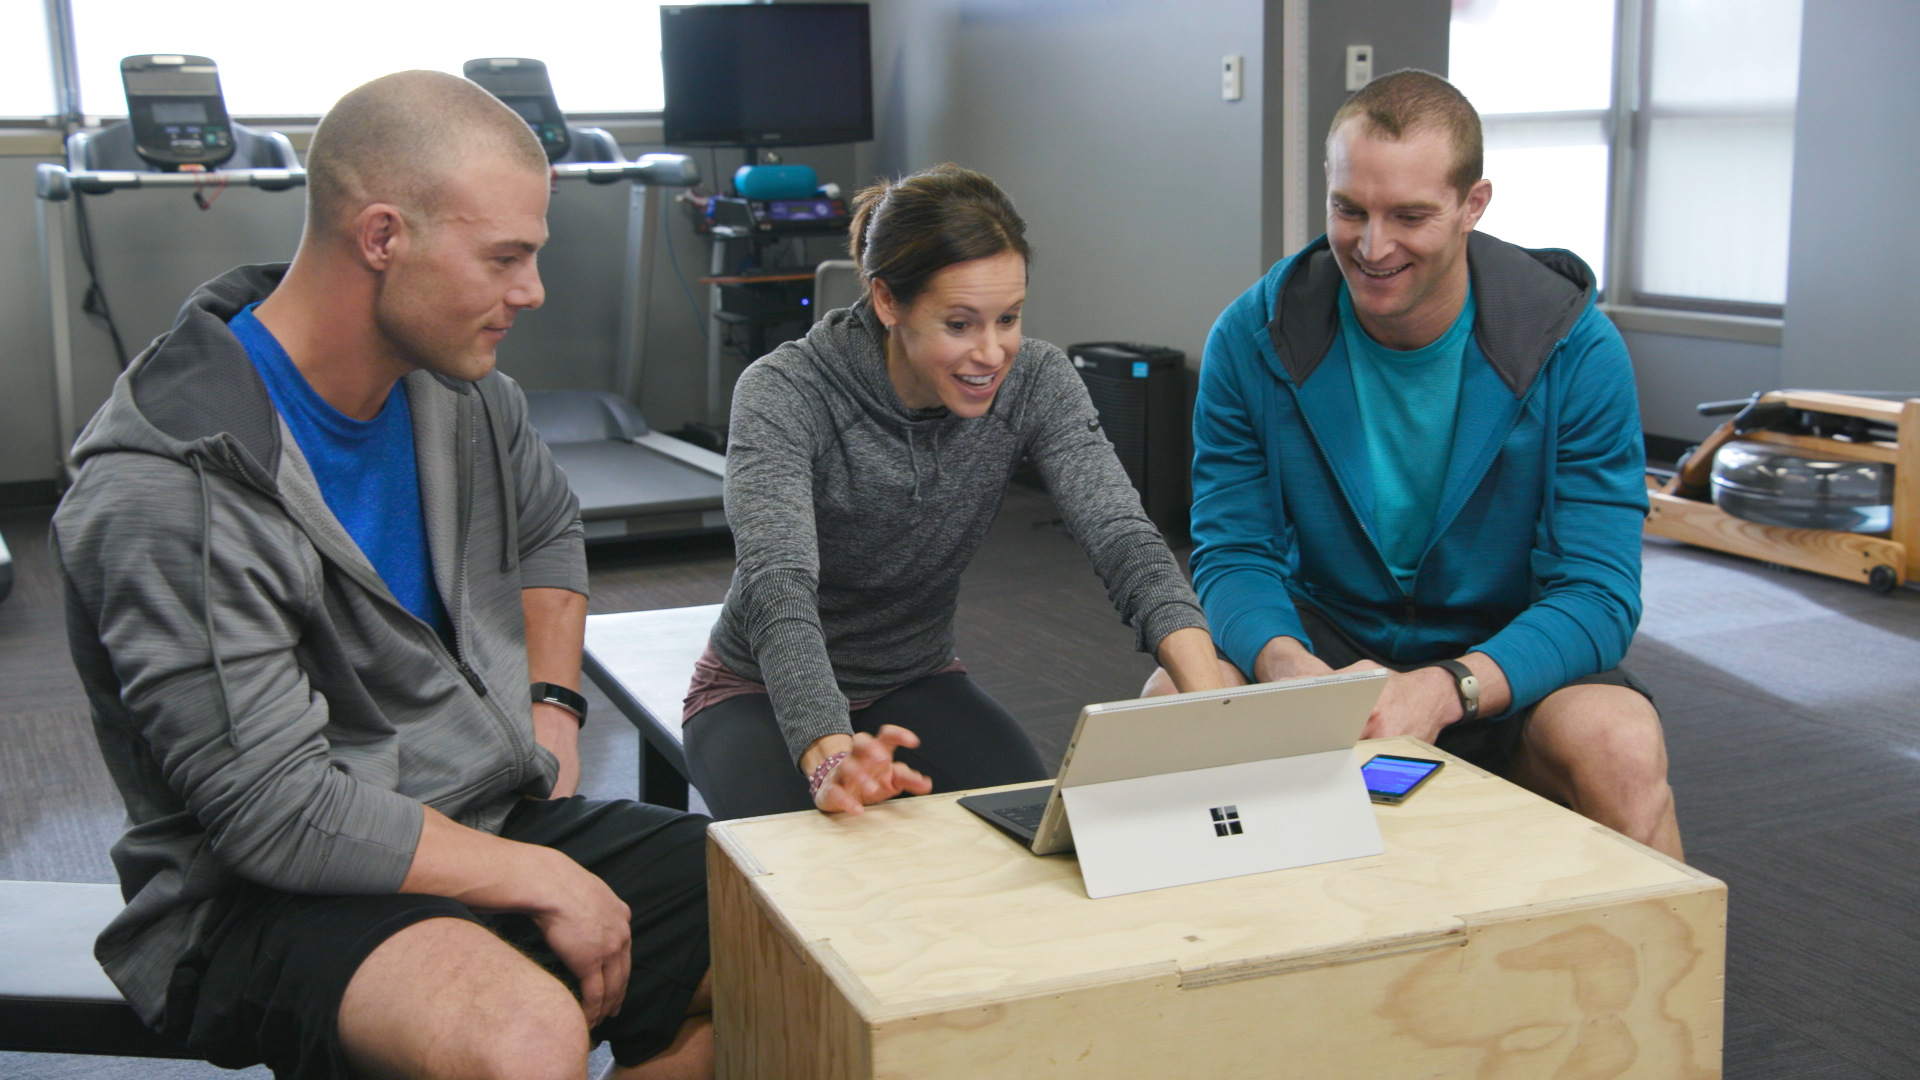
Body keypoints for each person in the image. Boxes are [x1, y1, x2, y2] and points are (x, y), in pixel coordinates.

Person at [51, 71, 712, 1080]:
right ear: (381, 237)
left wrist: (550, 707)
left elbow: (546, 529)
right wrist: (536, 875)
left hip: (481, 812)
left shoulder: (460, 395)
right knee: (525, 1038)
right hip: (256, 894)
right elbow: (276, 814)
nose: (531, 291)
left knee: (791, 929)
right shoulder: (173, 486)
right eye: (507, 258)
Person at [1169, 69, 1683, 860]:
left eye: (1410, 216)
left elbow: (1601, 593)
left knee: (1620, 743)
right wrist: (1286, 666)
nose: (1373, 248)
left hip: (1502, 660)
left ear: (1473, 205)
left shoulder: (1576, 349)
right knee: (1174, 700)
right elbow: (1235, 551)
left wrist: (1447, 688)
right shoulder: (1253, 335)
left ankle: (1657, 977)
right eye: (1350, 210)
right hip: (1327, 648)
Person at [683, 164, 1226, 821]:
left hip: (915, 678)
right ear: (888, 302)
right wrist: (831, 754)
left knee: (1037, 837)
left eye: (1009, 318)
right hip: (758, 691)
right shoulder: (787, 392)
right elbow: (779, 583)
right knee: (813, 882)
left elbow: (1124, 539)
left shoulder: (1038, 380)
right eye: (961, 323)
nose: (993, 353)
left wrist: (1213, 703)